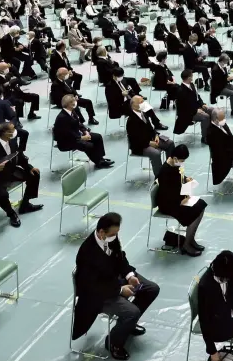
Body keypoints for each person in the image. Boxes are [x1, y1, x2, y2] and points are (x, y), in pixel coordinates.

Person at [72, 212, 161, 361]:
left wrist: (129, 276)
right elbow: (91, 286)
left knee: (152, 289)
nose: (116, 236)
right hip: (97, 294)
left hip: (113, 279)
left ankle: (128, 325)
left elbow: (120, 257)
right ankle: (113, 343)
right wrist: (120, 290)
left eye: (116, 233)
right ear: (101, 232)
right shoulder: (87, 254)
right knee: (132, 312)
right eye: (113, 233)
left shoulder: (110, 237)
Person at [0, 122, 42, 227]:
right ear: (5, 133)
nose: (15, 131)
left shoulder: (12, 141)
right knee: (2, 195)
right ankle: (11, 214)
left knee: (34, 174)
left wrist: (29, 167)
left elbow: (19, 156)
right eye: (12, 130)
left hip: (11, 171)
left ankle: (25, 204)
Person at [156, 144, 207, 256]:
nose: (182, 163)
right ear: (175, 158)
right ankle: (186, 245)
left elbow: (177, 180)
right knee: (194, 211)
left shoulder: (174, 165)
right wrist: (183, 199)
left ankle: (190, 238)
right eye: (182, 160)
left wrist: (185, 179)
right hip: (168, 204)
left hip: (176, 199)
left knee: (201, 205)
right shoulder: (165, 171)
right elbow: (168, 193)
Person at [53, 94, 113, 169]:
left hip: (77, 135)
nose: (75, 102)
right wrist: (82, 138)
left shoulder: (72, 111)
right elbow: (67, 134)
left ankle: (100, 158)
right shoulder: (62, 118)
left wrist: (85, 131)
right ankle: (98, 162)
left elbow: (79, 124)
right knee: (88, 145)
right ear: (68, 104)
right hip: (67, 141)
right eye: (73, 101)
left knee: (97, 137)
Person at [126, 95, 174, 177]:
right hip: (140, 146)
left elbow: (151, 129)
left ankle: (170, 169)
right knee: (155, 153)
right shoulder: (131, 121)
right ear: (134, 105)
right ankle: (159, 177)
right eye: (141, 102)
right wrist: (149, 143)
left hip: (151, 139)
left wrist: (156, 135)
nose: (143, 103)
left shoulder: (143, 114)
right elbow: (135, 139)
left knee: (170, 143)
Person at [175, 69, 213, 142]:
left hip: (196, 108)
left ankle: (211, 132)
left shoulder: (192, 85)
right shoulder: (181, 91)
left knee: (212, 110)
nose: (193, 77)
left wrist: (202, 104)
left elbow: (197, 96)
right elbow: (184, 107)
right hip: (187, 113)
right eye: (192, 76)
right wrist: (196, 111)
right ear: (189, 78)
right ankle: (204, 137)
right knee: (206, 117)